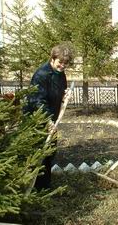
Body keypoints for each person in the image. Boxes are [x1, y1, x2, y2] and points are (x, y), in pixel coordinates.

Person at [24, 42, 74, 189]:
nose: (62, 66)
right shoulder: (41, 75)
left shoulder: (61, 75)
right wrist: (47, 121)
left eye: (65, 63)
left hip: (52, 118)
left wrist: (65, 95)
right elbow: (37, 101)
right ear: (52, 58)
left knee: (49, 151)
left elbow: (60, 92)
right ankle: (33, 187)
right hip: (36, 120)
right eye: (60, 62)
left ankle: (45, 185)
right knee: (38, 152)